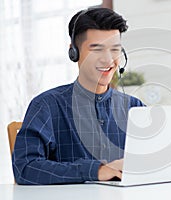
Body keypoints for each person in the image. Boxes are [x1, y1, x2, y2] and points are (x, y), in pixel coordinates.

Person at [12, 7, 145, 185]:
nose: (108, 59)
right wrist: (96, 171)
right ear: (73, 52)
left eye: (115, 50)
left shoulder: (135, 108)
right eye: (97, 49)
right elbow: (25, 168)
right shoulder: (46, 106)